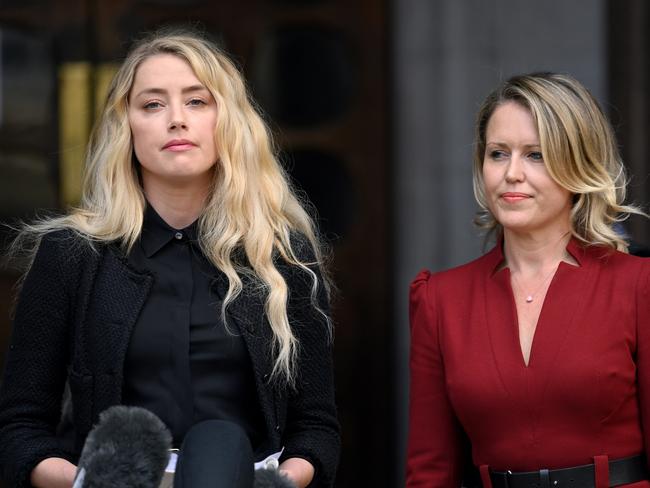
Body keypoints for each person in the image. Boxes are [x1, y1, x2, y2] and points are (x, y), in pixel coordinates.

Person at [0, 28, 339, 488]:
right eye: (153, 104)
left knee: (221, 441)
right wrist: (91, 481)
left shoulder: (281, 256)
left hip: (239, 475)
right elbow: (20, 428)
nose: (176, 119)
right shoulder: (70, 255)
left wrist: (274, 483)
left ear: (228, 121)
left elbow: (316, 428)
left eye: (197, 101)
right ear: (127, 126)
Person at [407, 72, 650, 488]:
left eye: (535, 155)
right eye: (498, 154)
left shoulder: (636, 286)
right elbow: (431, 471)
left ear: (578, 164)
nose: (512, 173)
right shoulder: (441, 300)